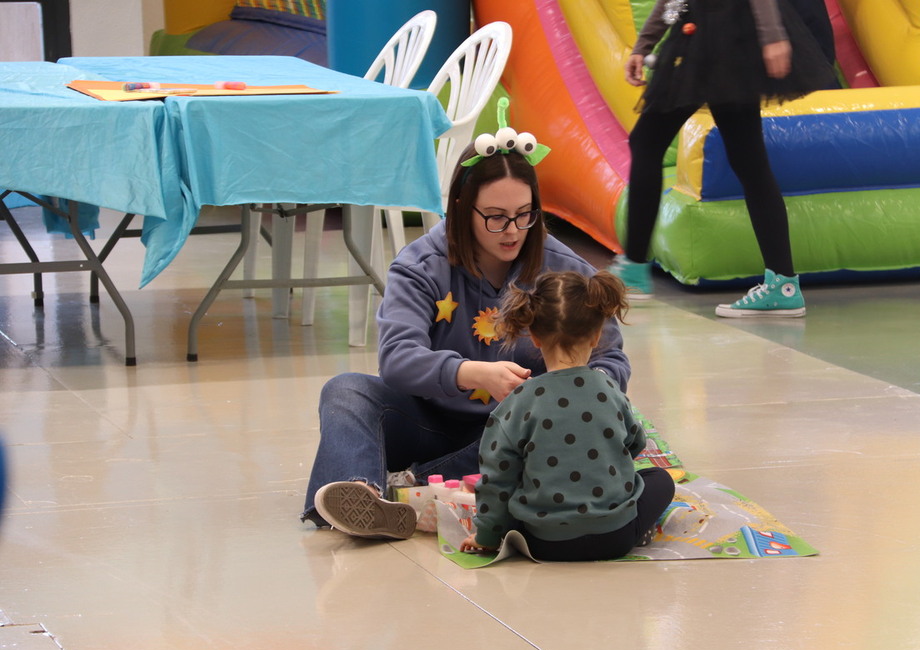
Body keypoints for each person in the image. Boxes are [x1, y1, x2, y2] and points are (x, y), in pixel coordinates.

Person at [301, 101, 632, 539]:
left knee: (546, 428)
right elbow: (396, 359)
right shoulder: (420, 264)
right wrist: (472, 373)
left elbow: (611, 359)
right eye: (495, 218)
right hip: (430, 422)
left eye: (524, 214)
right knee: (345, 391)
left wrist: (566, 395)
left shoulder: (564, 268)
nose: (513, 230)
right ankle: (363, 493)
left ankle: (410, 491)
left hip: (524, 433)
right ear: (461, 208)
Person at [612, 0, 836, 316]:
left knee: (649, 142)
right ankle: (783, 283)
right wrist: (645, 42)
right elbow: (676, 1)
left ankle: (634, 271)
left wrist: (772, 35)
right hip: (716, 37)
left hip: (719, 41)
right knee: (748, 160)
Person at [459, 271, 675, 561]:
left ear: (534, 337)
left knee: (515, 489)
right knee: (660, 479)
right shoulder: (608, 387)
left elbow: (496, 480)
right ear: (597, 335)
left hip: (545, 543)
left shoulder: (520, 401)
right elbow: (635, 443)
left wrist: (486, 537)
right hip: (616, 538)